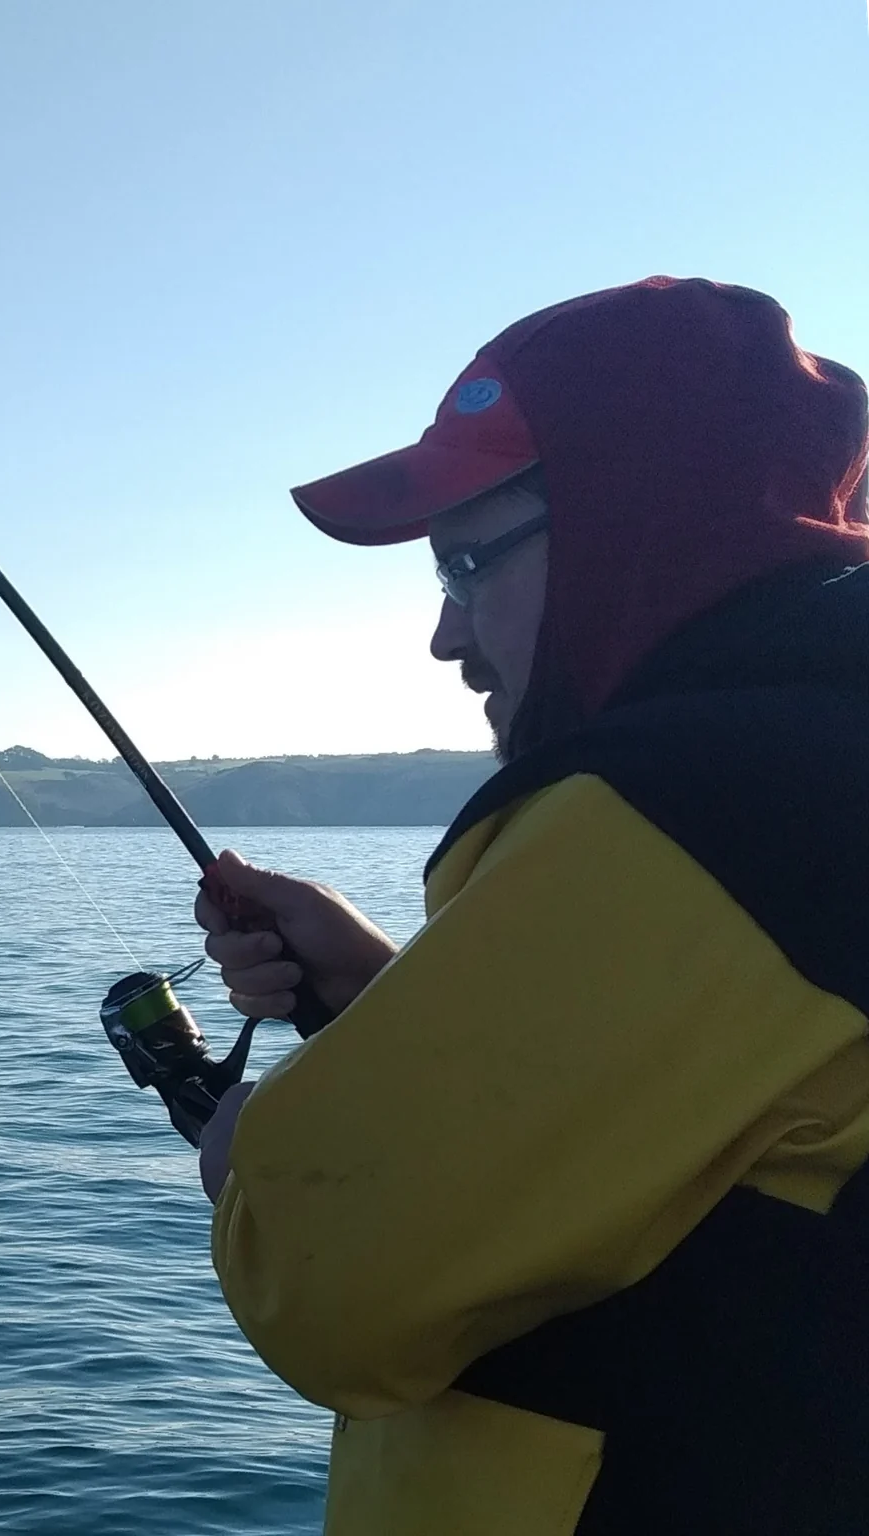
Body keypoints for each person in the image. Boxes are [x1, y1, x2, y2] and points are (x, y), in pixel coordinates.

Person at [193, 276, 869, 1534]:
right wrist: (387, 998)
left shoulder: (705, 809)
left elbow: (326, 1285)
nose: (447, 637)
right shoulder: (818, 765)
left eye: (465, 559)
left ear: (640, 524)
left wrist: (249, 1164)